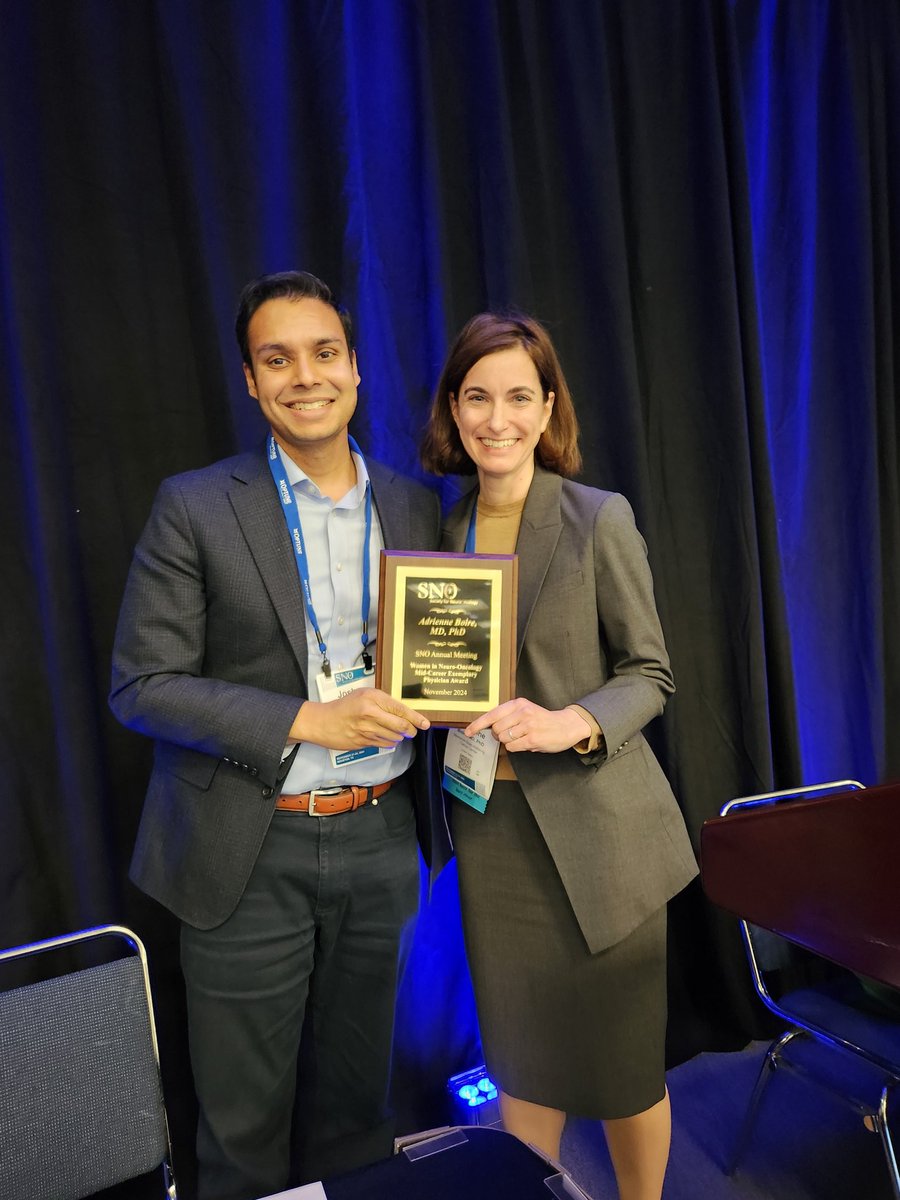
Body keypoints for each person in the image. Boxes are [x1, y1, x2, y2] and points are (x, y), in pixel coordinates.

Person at [110, 270, 451, 1200]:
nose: (305, 374)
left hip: (383, 839)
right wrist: (308, 717)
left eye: (324, 352)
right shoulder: (196, 505)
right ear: (253, 383)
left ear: (354, 370)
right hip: (245, 852)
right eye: (277, 358)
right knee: (242, 1128)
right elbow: (142, 686)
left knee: (358, 1112)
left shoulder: (417, 507)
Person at [420, 312, 698, 1200]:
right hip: (493, 837)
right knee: (522, 1064)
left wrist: (571, 719)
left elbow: (650, 674)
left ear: (547, 410)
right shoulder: (437, 527)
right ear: (453, 410)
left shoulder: (594, 519)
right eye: (476, 397)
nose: (495, 419)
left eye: (517, 397)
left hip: (602, 840)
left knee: (622, 1073)